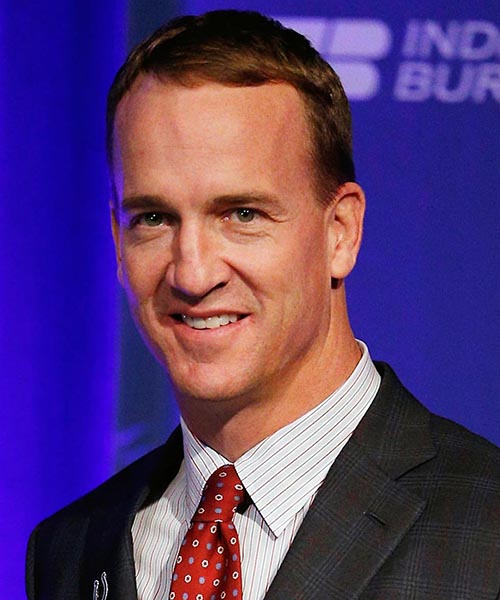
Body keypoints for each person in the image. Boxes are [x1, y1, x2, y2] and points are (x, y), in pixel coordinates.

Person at [26, 10, 500, 600]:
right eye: (154, 218)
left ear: (341, 232)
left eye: (242, 214)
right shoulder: (69, 550)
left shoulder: (487, 529)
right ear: (118, 240)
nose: (193, 273)